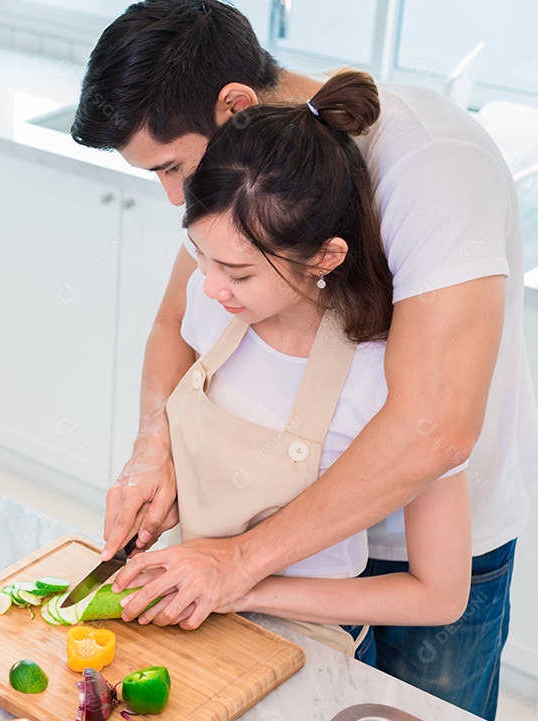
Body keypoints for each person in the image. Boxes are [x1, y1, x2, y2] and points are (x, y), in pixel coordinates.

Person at [71, 2, 538, 718]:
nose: (171, 196)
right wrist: (153, 447)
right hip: (285, 554)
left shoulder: (432, 169)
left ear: (234, 106)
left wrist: (240, 564)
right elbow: (176, 318)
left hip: (424, 548)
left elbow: (433, 430)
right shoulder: (239, 201)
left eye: (171, 166)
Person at [158, 69, 471, 661]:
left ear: (325, 256)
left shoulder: (387, 381)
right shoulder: (211, 310)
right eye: (202, 256)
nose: (211, 286)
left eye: (241, 273)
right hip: (192, 623)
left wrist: (245, 581)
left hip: (306, 649)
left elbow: (440, 595)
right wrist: (156, 466)